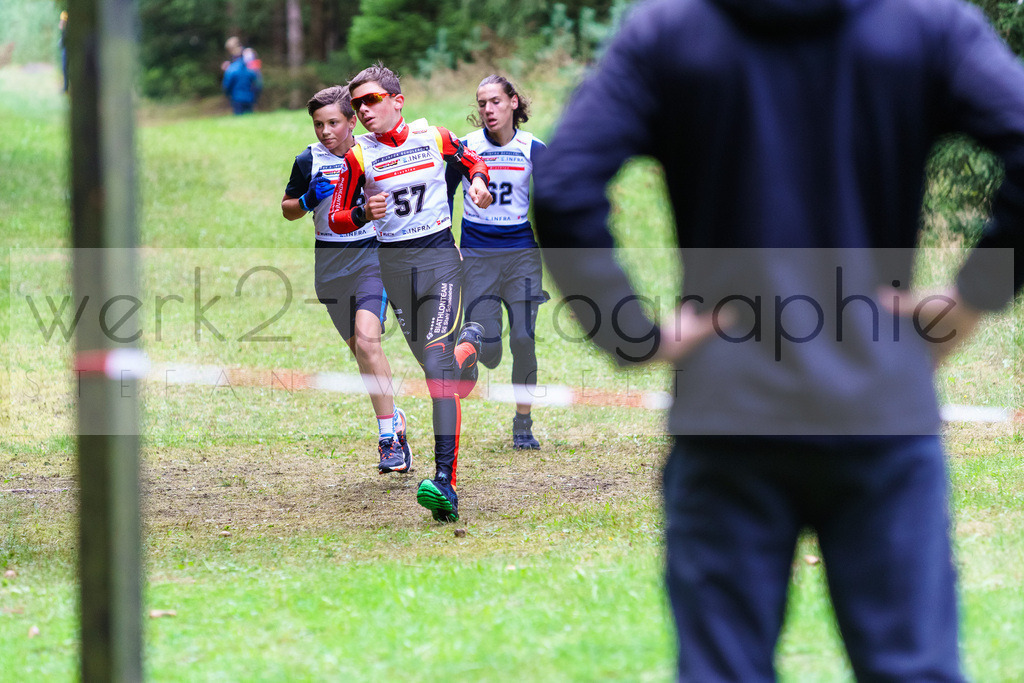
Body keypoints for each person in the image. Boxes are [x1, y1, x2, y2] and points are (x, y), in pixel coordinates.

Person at [533, 0, 1022, 680]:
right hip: (879, 408)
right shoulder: (927, 24)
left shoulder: (668, 33)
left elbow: (560, 186)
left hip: (726, 410)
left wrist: (629, 332)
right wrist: (971, 300)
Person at [327, 63, 494, 523]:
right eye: (357, 103)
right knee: (441, 371)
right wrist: (363, 212)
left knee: (436, 370)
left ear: (397, 101)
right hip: (394, 268)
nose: (363, 110)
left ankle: (445, 482)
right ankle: (469, 349)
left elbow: (472, 160)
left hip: (440, 260)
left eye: (371, 100)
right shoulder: (358, 157)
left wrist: (478, 183)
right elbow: (337, 216)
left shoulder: (434, 138)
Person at [281, 86, 412, 475]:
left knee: (369, 341)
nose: (325, 132)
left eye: (333, 123)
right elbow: (287, 209)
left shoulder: (374, 152)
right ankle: (397, 419)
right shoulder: (308, 159)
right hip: (330, 264)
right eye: (319, 124)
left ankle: (388, 439)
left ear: (351, 120)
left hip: (372, 257)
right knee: (362, 350)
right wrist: (306, 201)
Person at [446, 75, 549, 450]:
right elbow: (443, 194)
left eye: (495, 101)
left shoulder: (533, 148)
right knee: (489, 351)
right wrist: (448, 244)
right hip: (477, 254)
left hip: (521, 254)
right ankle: (475, 356)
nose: (488, 109)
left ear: (514, 103)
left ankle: (523, 422)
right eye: (482, 103)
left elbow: (554, 199)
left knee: (524, 339)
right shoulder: (465, 147)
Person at [221, 36, 261, 115]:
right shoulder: (247, 56)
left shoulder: (244, 58)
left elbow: (228, 82)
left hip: (239, 95)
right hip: (249, 95)